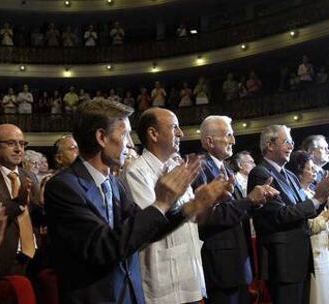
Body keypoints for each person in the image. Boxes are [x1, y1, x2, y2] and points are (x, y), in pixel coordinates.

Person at [44, 100, 231, 304]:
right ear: (101, 138)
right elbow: (104, 247)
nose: (130, 143)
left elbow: (148, 230)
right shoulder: (64, 187)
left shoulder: (113, 184)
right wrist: (161, 202)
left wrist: (193, 205)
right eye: (124, 134)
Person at [122, 108, 206, 303]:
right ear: (153, 134)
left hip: (189, 274)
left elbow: (191, 220)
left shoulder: (177, 167)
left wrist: (204, 202)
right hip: (164, 283)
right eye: (174, 127)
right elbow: (149, 227)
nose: (181, 133)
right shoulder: (136, 172)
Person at [192, 115, 278, 304]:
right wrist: (248, 200)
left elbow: (237, 210)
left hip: (238, 260)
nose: (233, 141)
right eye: (228, 135)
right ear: (209, 141)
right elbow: (209, 217)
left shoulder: (227, 169)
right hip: (220, 265)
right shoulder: (199, 169)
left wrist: (257, 201)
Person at [247, 125, 329, 304]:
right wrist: (317, 198)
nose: (291, 146)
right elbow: (279, 215)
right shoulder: (260, 173)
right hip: (282, 261)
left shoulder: (290, 175)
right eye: (286, 141)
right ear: (269, 145)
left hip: (300, 258)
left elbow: (307, 211)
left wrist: (323, 197)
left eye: (292, 142)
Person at [289, 150, 329, 304]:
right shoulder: (299, 195)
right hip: (312, 249)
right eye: (310, 169)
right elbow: (310, 225)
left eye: (314, 168)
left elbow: (327, 220)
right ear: (298, 171)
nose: (314, 172)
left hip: (323, 247)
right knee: (317, 295)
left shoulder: (312, 191)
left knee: (327, 293)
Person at [0, 124, 37, 276]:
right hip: (5, 261)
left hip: (33, 259)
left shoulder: (30, 177)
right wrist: (18, 204)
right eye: (11, 143)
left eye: (22, 144)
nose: (18, 149)